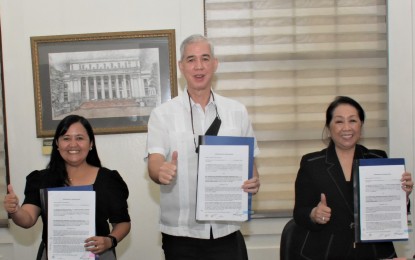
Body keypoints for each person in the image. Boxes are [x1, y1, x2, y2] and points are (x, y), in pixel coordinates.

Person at [146, 34, 260, 260]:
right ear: (181, 66)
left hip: (226, 230)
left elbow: (251, 165)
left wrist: (254, 182)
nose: (198, 66)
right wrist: (161, 172)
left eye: (205, 58)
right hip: (180, 234)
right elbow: (154, 161)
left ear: (214, 64)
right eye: (191, 59)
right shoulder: (162, 114)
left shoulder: (236, 111)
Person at [293, 96, 413, 260]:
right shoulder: (312, 164)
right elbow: (299, 213)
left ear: (361, 126)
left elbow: (391, 211)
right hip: (327, 251)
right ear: (329, 127)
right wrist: (314, 214)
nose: (347, 128)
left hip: (373, 252)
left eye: (353, 120)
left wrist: (403, 197)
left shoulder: (378, 159)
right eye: (339, 121)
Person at [3, 115, 131, 260]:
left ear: (91, 144)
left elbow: (122, 222)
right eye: (66, 138)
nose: (73, 144)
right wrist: (15, 210)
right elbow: (27, 219)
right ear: (57, 144)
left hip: (99, 255)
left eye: (80, 138)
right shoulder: (41, 179)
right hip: (54, 254)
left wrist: (110, 240)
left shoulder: (108, 179)